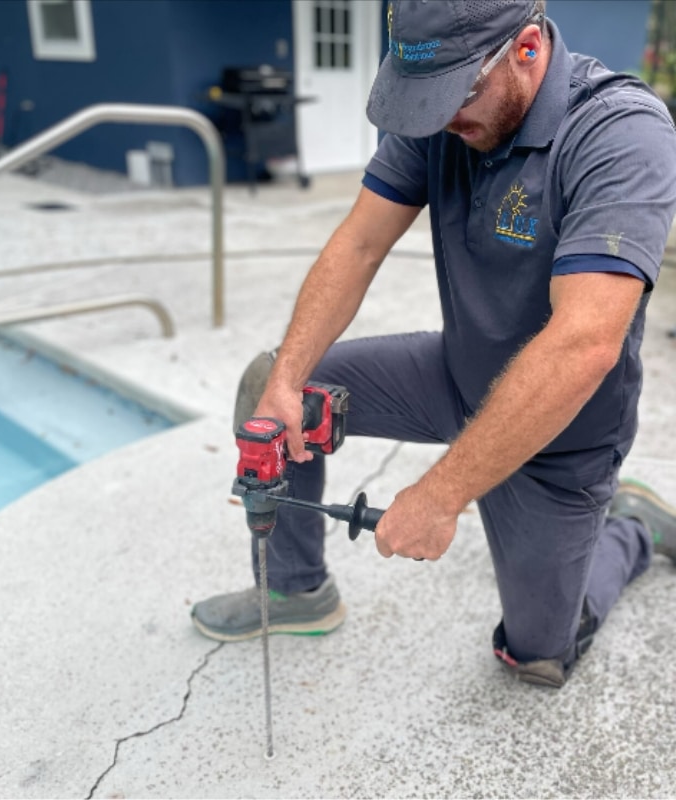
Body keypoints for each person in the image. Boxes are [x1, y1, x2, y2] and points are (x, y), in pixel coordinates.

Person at [192, 0, 676, 687]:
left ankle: (633, 529)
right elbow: (360, 244)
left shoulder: (621, 132)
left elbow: (583, 344)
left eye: (457, 95)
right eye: (426, 98)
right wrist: (287, 374)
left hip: (561, 438)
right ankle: (297, 591)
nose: (442, 118)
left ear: (528, 48)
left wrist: (440, 494)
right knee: (274, 391)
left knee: (534, 656)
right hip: (455, 376)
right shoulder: (442, 111)